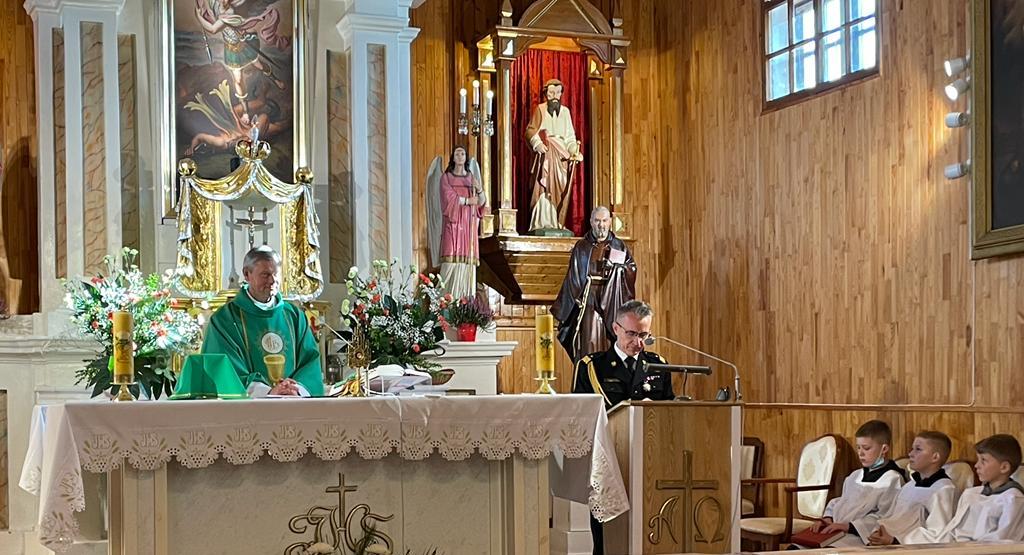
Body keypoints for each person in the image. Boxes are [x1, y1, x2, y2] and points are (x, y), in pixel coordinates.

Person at [573, 300, 673, 555]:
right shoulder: (592, 366)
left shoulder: (658, 364)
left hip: (651, 459)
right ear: (616, 328)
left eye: (643, 335)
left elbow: (670, 410)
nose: (637, 342)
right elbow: (581, 415)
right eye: (631, 334)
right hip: (611, 458)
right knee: (608, 536)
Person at [202, 246, 324, 397]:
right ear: (247, 274)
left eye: (276, 274)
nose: (272, 280)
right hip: (248, 407)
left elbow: (310, 362)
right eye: (265, 275)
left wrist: (295, 389)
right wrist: (268, 392)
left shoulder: (294, 316)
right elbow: (223, 369)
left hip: (294, 403)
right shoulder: (224, 320)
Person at [902, 434, 1024, 543]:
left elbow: (1003, 541)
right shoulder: (971, 494)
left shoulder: (1013, 499)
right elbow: (951, 531)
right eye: (978, 459)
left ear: (1004, 467)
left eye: (983, 460)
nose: (976, 465)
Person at [552, 206, 636, 363]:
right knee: (589, 342)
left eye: (604, 221)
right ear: (591, 222)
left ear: (610, 222)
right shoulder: (582, 246)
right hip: (589, 301)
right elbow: (573, 278)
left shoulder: (619, 246)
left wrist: (616, 269)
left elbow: (631, 268)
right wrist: (570, 303)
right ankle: (589, 374)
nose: (601, 225)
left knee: (611, 341)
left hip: (612, 301)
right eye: (597, 221)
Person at [806, 420, 906, 546]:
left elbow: (885, 518)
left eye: (866, 448)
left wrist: (849, 526)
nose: (860, 453)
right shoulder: (855, 476)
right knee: (796, 548)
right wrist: (827, 518)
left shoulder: (892, 479)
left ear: (884, 449)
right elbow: (840, 502)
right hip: (835, 530)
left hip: (860, 536)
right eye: (858, 447)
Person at [863, 431, 959, 545]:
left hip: (910, 548)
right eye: (912, 449)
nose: (910, 454)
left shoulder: (944, 489)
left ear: (935, 457)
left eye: (918, 449)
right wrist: (878, 533)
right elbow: (891, 518)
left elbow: (939, 534)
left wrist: (895, 541)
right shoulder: (909, 486)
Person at [525, 78, 583, 232]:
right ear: (546, 94)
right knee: (543, 187)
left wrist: (574, 151)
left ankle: (556, 221)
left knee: (560, 188)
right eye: (551, 93)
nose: (555, 96)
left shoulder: (565, 112)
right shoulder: (540, 109)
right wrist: (537, 143)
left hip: (561, 157)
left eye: (557, 93)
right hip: (545, 154)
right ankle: (541, 221)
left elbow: (570, 137)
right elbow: (530, 130)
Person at [438, 146, 486, 299]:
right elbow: (448, 198)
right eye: (457, 153)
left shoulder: (471, 178)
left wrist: (480, 190)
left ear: (466, 158)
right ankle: (444, 301)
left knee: (467, 266)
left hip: (468, 226)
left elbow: (482, 203)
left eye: (463, 153)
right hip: (453, 225)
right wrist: (467, 201)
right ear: (453, 157)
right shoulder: (446, 178)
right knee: (450, 264)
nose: (460, 156)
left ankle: (465, 303)